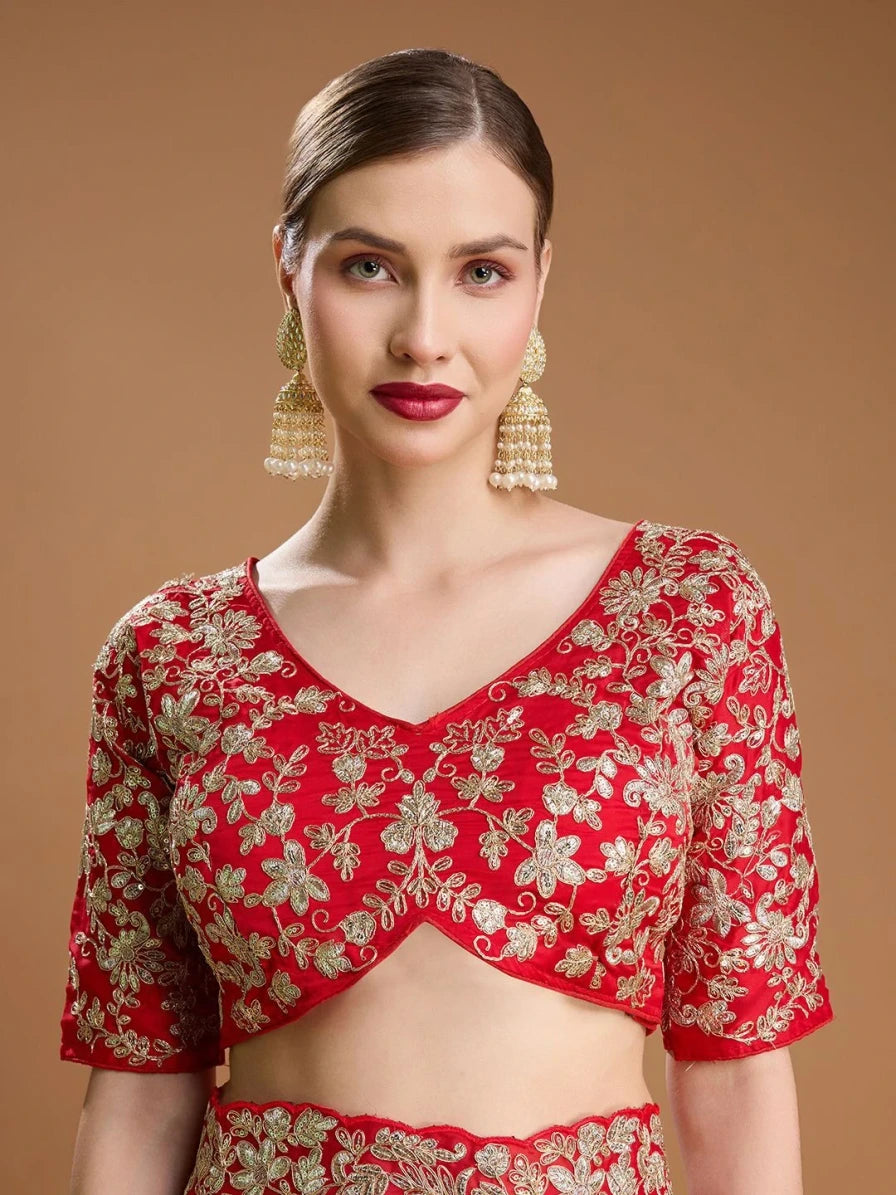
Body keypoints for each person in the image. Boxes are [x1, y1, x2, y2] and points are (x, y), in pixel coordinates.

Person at [59, 47, 834, 1195]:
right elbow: (139, 1087)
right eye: (370, 265)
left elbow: (732, 1072)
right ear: (287, 268)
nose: (424, 335)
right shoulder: (173, 654)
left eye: (480, 271)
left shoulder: (687, 613)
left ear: (539, 282)